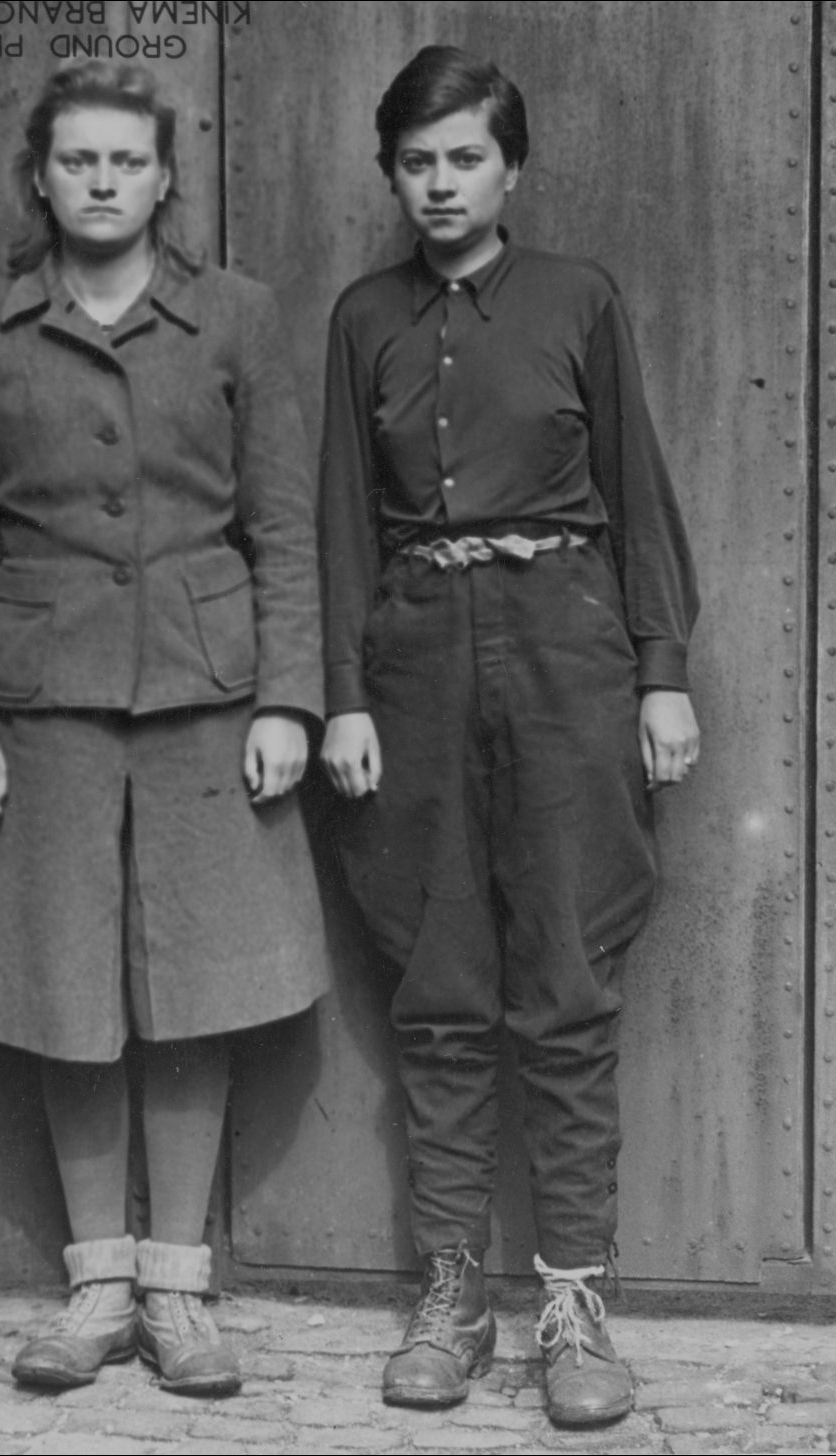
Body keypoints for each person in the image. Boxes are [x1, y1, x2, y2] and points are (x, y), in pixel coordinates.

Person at [0, 60, 328, 1398]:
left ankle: (177, 1285)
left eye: (124, 161)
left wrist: (286, 696)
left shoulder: (235, 318)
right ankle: (94, 1283)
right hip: (40, 706)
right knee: (64, 989)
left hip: (207, 700)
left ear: (164, 178)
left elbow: (281, 523)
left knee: (194, 989)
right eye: (76, 161)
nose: (101, 183)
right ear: (39, 178)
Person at [318, 45, 701, 1427]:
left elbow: (635, 493)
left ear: (509, 169)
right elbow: (336, 523)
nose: (438, 183)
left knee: (563, 984)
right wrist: (342, 697)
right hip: (415, 660)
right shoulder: (362, 317)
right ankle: (451, 1296)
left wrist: (659, 671)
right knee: (435, 990)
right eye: (415, 162)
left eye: (463, 158)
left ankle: (573, 1306)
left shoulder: (576, 301)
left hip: (563, 653)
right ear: (391, 174)